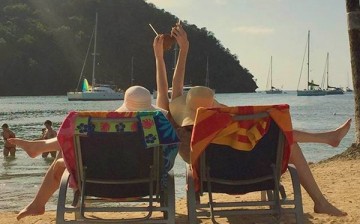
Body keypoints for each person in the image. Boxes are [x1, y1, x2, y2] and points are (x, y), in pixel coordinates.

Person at [153, 24, 349, 217]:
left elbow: (167, 91)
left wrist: (160, 58)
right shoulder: (234, 128)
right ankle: (321, 199)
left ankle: (327, 139)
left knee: (284, 138)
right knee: (287, 141)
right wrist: (184, 48)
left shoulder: (188, 136)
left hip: (214, 177)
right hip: (257, 174)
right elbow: (175, 89)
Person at [9, 85, 171, 220]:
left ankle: (38, 202)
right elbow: (169, 159)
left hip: (93, 184)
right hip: (145, 185)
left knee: (61, 162)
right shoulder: (156, 127)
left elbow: (69, 141)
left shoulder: (107, 128)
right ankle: (40, 148)